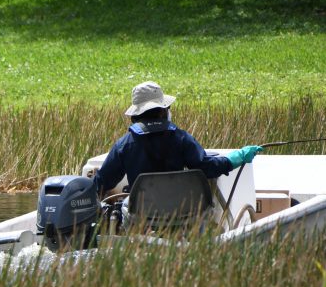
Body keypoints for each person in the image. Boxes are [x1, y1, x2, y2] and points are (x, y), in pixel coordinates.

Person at [94, 80, 262, 207]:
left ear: (135, 115)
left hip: (141, 218)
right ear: (162, 111)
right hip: (180, 214)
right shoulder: (181, 139)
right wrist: (236, 158)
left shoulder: (124, 145)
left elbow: (102, 183)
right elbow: (207, 168)